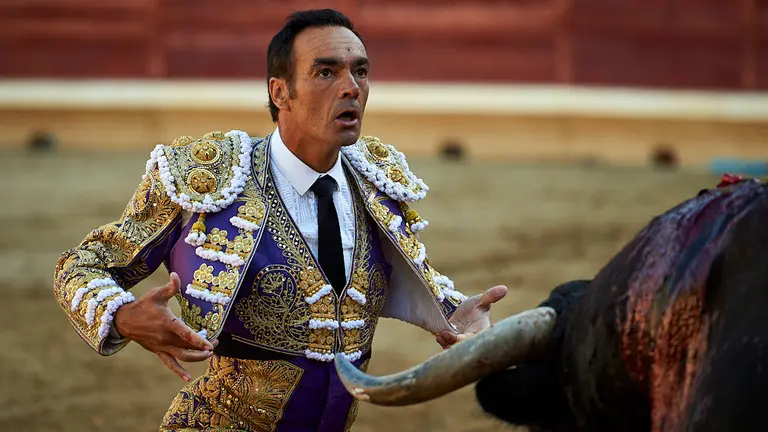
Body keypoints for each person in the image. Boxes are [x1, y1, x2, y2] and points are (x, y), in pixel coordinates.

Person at [52, 8, 507, 431]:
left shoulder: (376, 183)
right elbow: (82, 265)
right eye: (326, 72)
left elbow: (410, 273)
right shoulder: (207, 177)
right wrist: (124, 316)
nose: (351, 87)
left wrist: (457, 315)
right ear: (279, 91)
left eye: (360, 71)